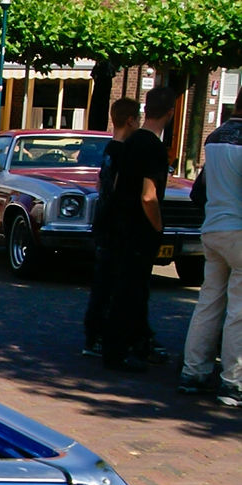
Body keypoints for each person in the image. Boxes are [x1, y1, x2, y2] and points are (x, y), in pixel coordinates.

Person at [102, 86, 177, 373]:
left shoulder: (130, 142)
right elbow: (149, 195)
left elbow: (119, 183)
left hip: (119, 223)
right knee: (133, 289)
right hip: (139, 229)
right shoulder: (156, 149)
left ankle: (124, 344)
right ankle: (121, 350)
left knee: (121, 287)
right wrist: (158, 226)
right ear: (169, 113)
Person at [177, 103, 242, 405]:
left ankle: (194, 372)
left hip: (213, 229)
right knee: (238, 311)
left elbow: (198, 192)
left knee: (209, 302)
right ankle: (233, 382)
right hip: (239, 230)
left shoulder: (215, 137)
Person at [82, 97, 141, 359]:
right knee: (111, 283)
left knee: (100, 283)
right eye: (137, 118)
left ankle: (92, 336)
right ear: (131, 120)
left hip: (102, 222)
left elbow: (101, 185)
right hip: (116, 225)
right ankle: (103, 337)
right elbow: (116, 188)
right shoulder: (124, 152)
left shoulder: (108, 150)